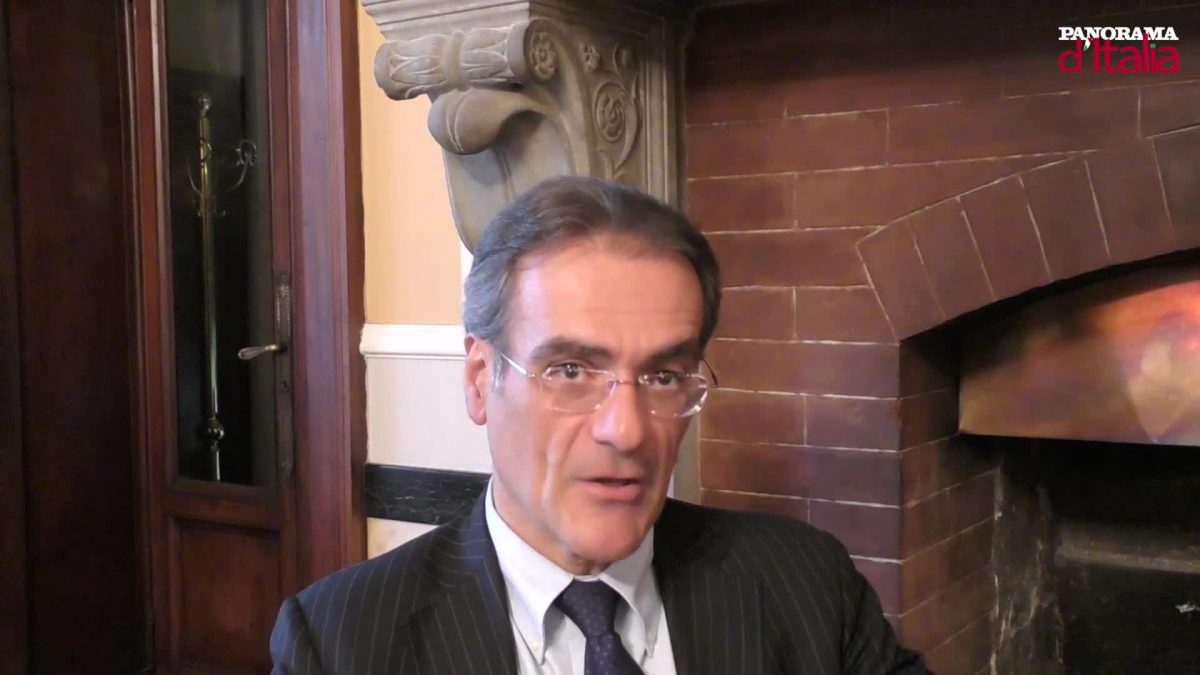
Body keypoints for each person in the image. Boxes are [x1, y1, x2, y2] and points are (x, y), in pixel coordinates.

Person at [269, 176, 929, 674]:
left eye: (663, 376)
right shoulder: (339, 640)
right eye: (569, 370)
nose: (627, 431)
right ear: (479, 380)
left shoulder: (807, 583)